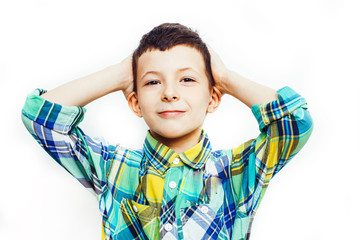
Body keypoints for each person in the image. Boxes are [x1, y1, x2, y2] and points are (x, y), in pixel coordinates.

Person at [21, 23, 313, 240]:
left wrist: (224, 76)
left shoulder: (236, 171)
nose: (170, 93)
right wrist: (123, 73)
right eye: (152, 83)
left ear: (213, 97)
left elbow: (295, 123)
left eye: (186, 79)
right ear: (134, 102)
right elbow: (40, 116)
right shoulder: (113, 167)